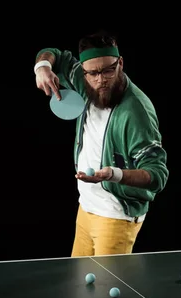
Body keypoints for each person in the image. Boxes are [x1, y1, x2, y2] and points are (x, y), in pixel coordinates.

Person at [34, 30, 169, 257]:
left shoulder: (136, 112)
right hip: (86, 207)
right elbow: (53, 54)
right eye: (93, 73)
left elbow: (157, 174)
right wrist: (42, 68)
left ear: (121, 63)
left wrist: (113, 174)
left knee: (107, 291)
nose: (101, 80)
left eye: (108, 70)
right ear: (84, 72)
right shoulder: (83, 79)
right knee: (80, 287)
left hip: (116, 215)